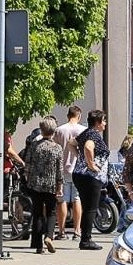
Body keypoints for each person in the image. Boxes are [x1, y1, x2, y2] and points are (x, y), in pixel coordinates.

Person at [22, 117, 63, 254]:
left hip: (35, 184)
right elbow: (59, 170)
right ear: (53, 131)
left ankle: (38, 245)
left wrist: (27, 177)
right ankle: (49, 236)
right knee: (51, 212)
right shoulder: (57, 148)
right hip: (51, 184)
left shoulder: (34, 146)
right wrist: (59, 186)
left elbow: (28, 164)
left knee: (38, 213)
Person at [72, 110, 110, 249]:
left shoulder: (86, 133)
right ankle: (86, 240)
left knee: (87, 207)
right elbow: (88, 147)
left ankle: (85, 238)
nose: (105, 123)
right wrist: (91, 164)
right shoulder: (93, 134)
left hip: (80, 174)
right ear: (97, 122)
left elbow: (71, 143)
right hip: (91, 177)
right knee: (90, 209)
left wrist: (80, 157)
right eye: (103, 120)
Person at [52, 105, 86, 242]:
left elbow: (55, 149)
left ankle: (61, 231)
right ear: (79, 116)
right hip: (78, 169)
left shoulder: (59, 130)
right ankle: (77, 231)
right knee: (77, 199)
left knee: (62, 200)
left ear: (68, 116)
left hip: (62, 168)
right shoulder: (83, 130)